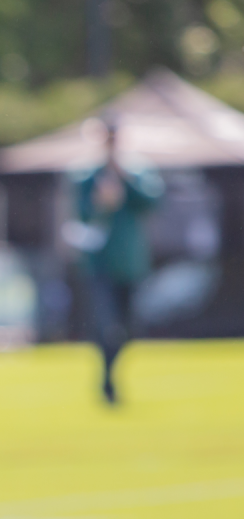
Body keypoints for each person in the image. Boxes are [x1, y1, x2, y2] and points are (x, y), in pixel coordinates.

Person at [68, 121, 162, 405]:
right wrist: (100, 201)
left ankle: (109, 374)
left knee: (130, 327)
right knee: (107, 325)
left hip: (131, 262)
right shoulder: (86, 175)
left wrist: (124, 179)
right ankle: (107, 383)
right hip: (100, 264)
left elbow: (152, 202)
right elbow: (81, 214)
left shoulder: (138, 171)